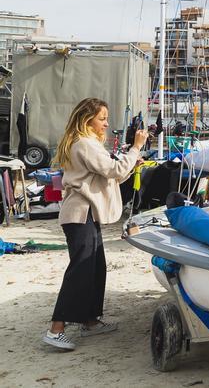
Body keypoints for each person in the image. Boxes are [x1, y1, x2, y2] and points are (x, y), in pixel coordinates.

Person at [43, 98, 148, 351]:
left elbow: (114, 170)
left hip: (85, 214)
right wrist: (136, 148)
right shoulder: (85, 144)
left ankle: (90, 320)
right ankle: (56, 329)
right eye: (102, 118)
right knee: (81, 269)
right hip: (80, 214)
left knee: (95, 267)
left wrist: (131, 160)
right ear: (87, 119)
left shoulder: (85, 144)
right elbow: (114, 171)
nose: (106, 123)